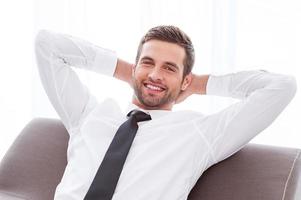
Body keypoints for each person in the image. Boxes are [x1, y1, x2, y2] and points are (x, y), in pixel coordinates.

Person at [34, 25, 297, 200]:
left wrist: (198, 84)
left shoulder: (198, 134)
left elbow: (281, 87)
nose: (157, 74)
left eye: (170, 68)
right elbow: (47, 45)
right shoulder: (88, 115)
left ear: (185, 80)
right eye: (148, 63)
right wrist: (130, 73)